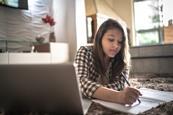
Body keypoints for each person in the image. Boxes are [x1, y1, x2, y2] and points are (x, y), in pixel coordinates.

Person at [74, 19, 141, 105]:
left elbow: (120, 84)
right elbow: (79, 83)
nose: (116, 46)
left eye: (120, 42)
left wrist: (92, 91)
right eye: (111, 39)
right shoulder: (84, 51)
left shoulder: (122, 58)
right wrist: (118, 96)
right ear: (100, 38)